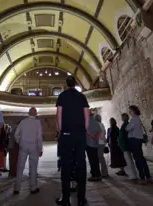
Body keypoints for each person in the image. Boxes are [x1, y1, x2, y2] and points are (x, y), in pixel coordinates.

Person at [55, 76, 90, 206]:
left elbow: (59, 114)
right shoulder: (82, 96)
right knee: (81, 165)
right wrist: (84, 130)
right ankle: (81, 199)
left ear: (66, 84)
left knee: (66, 166)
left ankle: (66, 199)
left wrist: (60, 130)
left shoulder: (62, 96)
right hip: (80, 134)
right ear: (75, 84)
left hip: (67, 134)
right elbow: (87, 114)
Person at [13, 107, 43, 194]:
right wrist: (40, 149)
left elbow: (16, 134)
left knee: (20, 167)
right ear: (36, 113)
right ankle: (33, 188)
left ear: (28, 113)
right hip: (34, 148)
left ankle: (17, 188)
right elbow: (39, 137)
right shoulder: (37, 122)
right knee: (33, 168)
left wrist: (20, 142)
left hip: (23, 147)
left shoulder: (23, 122)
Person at [126, 105, 153, 185]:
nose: (129, 112)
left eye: (130, 111)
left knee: (138, 160)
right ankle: (148, 177)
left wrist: (127, 128)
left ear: (133, 111)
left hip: (134, 140)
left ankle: (142, 178)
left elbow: (127, 128)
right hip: (138, 140)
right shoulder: (138, 119)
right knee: (142, 159)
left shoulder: (134, 119)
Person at [119, 113, 137, 180]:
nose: (122, 118)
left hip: (125, 145)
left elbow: (125, 135)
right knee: (129, 160)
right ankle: (133, 174)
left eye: (123, 117)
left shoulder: (126, 125)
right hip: (125, 145)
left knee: (129, 160)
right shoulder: (125, 124)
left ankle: (133, 175)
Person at [86, 111, 102, 182]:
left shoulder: (87, 122)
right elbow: (99, 132)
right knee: (95, 160)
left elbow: (88, 132)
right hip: (95, 144)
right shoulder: (96, 122)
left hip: (89, 143)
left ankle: (95, 175)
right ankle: (98, 175)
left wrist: (87, 133)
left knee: (92, 160)